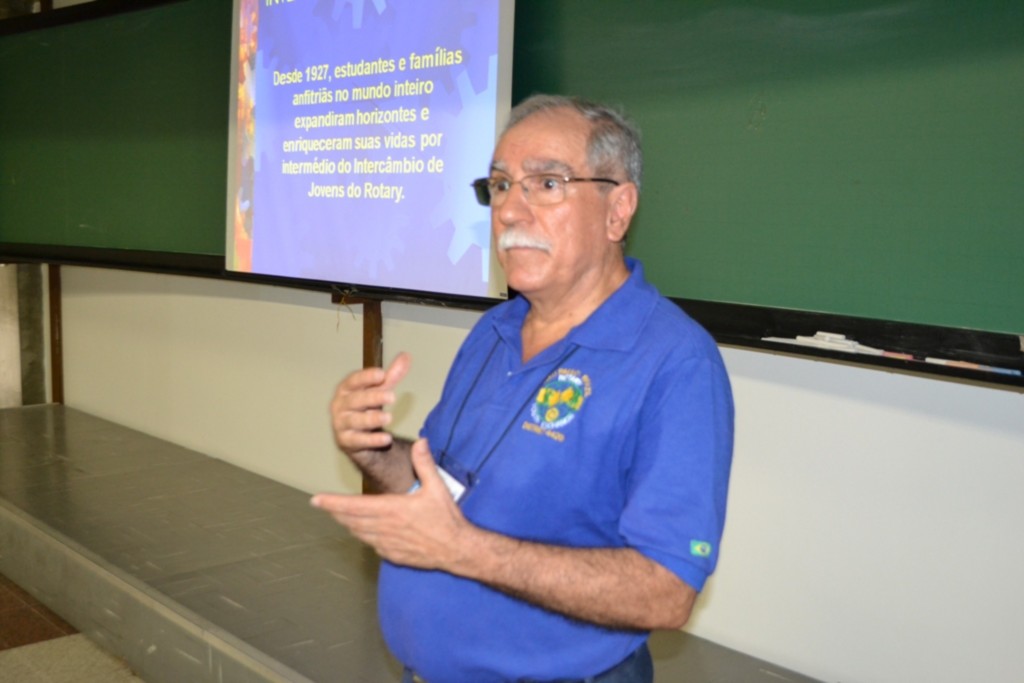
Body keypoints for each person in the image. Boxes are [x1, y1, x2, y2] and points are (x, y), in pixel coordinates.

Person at [311, 94, 734, 683]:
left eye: (547, 184)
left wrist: (464, 550)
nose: (509, 210)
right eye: (501, 185)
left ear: (617, 211)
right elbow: (441, 484)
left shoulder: (676, 363)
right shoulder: (494, 331)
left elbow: (666, 591)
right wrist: (373, 446)